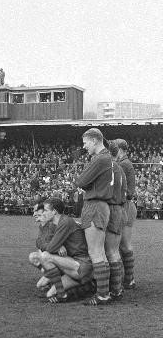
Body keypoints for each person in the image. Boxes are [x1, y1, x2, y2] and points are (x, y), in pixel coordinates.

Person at [76, 128, 114, 306]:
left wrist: (85, 185)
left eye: (85, 143)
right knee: (101, 253)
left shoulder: (100, 158)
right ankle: (104, 293)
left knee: (95, 252)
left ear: (94, 140)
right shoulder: (108, 158)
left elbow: (81, 181)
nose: (84, 147)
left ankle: (102, 295)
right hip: (102, 205)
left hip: (95, 205)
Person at [37, 198, 94, 303]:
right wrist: (58, 245)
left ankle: (63, 294)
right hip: (71, 264)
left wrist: (55, 246)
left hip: (82, 265)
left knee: (45, 256)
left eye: (45, 210)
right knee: (48, 293)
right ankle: (85, 286)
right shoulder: (55, 224)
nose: (42, 213)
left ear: (54, 211)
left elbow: (49, 248)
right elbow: (39, 242)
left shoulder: (65, 222)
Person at [106, 140, 128, 300]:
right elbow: (126, 191)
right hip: (121, 210)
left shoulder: (109, 168)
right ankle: (117, 288)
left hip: (112, 210)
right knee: (114, 251)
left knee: (110, 251)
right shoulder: (120, 168)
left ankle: (114, 289)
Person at [114, 139, 137, 289]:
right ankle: (128, 278)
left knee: (123, 245)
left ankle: (128, 279)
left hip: (125, 206)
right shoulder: (125, 162)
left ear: (120, 149)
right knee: (122, 245)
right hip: (128, 205)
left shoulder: (122, 164)